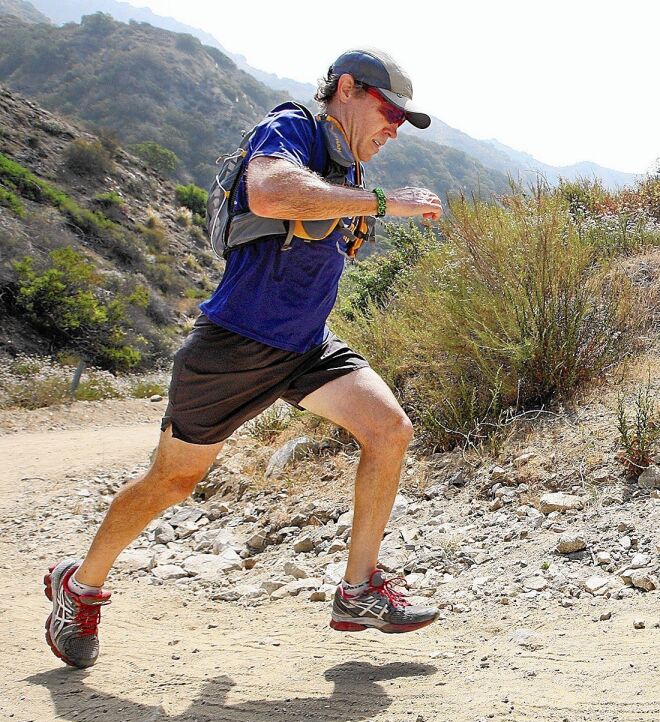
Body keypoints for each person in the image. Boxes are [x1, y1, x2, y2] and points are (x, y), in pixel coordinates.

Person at [44, 48, 443, 669]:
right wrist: (381, 206)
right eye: (390, 110)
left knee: (389, 429)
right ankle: (80, 586)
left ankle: (357, 591)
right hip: (233, 347)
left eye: (402, 120)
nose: (394, 127)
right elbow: (269, 191)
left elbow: (309, 252)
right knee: (171, 483)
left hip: (306, 346)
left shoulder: (348, 175)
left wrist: (353, 217)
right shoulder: (294, 127)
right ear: (347, 89)